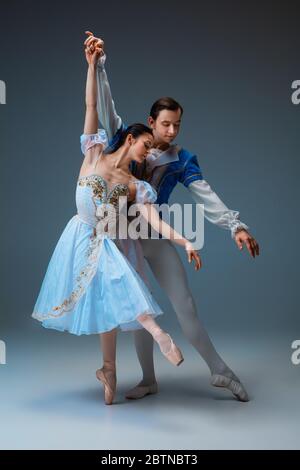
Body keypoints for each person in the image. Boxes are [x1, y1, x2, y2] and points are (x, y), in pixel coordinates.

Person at [83, 32, 260, 402]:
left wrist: (235, 226)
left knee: (184, 305)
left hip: (154, 235)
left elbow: (204, 193)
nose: (172, 131)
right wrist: (99, 64)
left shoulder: (181, 159)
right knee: (137, 311)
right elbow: (104, 105)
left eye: (177, 124)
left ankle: (221, 372)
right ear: (151, 122)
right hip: (120, 238)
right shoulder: (128, 140)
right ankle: (148, 379)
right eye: (165, 124)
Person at [32, 40, 201, 406]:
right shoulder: (93, 152)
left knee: (117, 288)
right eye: (145, 147)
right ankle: (119, 361)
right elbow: (92, 105)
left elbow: (154, 220)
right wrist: (92, 65)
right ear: (130, 139)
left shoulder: (135, 185)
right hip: (79, 236)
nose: (148, 154)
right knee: (106, 301)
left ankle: (144, 343)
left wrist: (186, 241)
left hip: (107, 240)